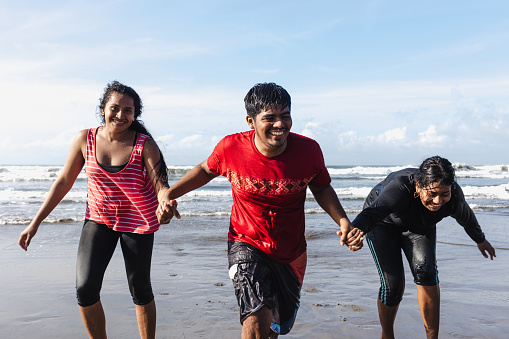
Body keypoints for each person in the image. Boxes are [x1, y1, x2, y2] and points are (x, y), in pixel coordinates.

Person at [157, 82, 363, 338]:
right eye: (270, 118)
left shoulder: (309, 151)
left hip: (291, 252)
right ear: (251, 121)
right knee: (255, 315)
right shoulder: (230, 148)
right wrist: (169, 193)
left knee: (274, 327)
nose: (279, 124)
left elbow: (320, 188)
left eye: (285, 116)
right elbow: (205, 170)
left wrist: (343, 221)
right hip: (245, 242)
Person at [18, 81, 179, 339]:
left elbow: (161, 185)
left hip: (138, 221)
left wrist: (165, 203)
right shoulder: (86, 139)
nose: (120, 115)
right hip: (99, 218)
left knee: (140, 288)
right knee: (85, 288)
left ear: (135, 114)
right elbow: (62, 182)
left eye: (128, 110)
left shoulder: (144, 145)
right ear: (103, 109)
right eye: (115, 108)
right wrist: (34, 223)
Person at [351, 155, 496, 339]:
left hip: (420, 227)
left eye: (444, 194)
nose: (438, 201)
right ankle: (387, 335)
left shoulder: (454, 197)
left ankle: (432, 336)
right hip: (383, 224)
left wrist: (480, 239)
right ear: (418, 186)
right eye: (432, 194)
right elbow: (374, 212)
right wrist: (356, 230)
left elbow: (466, 217)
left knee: (426, 272)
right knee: (393, 286)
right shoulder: (400, 188)